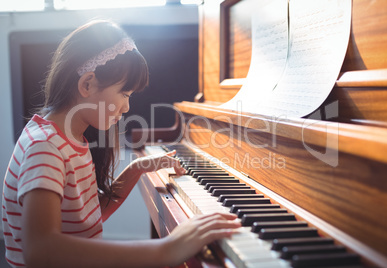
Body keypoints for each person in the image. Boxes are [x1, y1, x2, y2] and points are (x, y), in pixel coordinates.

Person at [2, 20, 240, 268]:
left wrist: (136, 168)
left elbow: (90, 216)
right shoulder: (45, 148)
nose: (127, 108)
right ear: (87, 84)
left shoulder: (66, 139)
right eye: (124, 94)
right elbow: (40, 250)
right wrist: (165, 249)